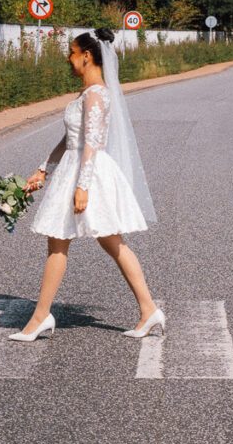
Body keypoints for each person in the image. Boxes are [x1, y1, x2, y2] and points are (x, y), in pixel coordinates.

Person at [9, 28, 164, 342]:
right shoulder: (87, 93)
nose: (69, 58)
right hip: (76, 168)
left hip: (87, 172)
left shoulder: (95, 94)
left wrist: (83, 186)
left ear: (87, 55)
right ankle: (148, 309)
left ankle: (40, 317)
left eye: (72, 52)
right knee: (111, 244)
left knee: (64, 241)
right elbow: (70, 140)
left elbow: (91, 143)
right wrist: (43, 169)